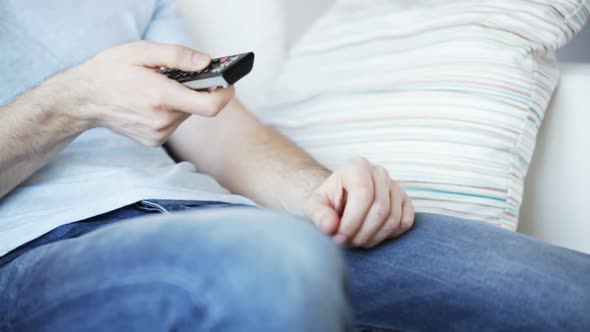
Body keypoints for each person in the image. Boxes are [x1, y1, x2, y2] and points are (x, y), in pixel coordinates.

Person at [0, 1, 588, 331]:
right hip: (35, 248)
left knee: (566, 295)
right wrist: (72, 100)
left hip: (219, 216)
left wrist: (319, 192)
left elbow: (222, 134)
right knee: (274, 263)